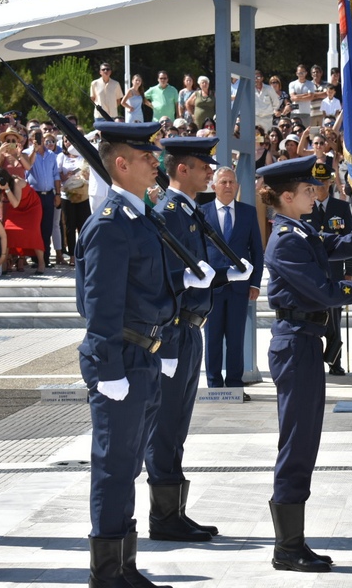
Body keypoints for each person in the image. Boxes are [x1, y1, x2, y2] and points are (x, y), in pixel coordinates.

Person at [75, 121, 216, 587]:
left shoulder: (142, 216)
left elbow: (148, 289)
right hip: (124, 360)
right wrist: (106, 368)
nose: (155, 162)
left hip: (148, 356)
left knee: (130, 463)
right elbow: (99, 305)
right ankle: (109, 571)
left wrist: (180, 294)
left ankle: (124, 564)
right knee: (115, 465)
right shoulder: (112, 224)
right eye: (146, 157)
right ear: (121, 163)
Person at [258, 155, 352, 572]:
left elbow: (332, 248)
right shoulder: (287, 239)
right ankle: (287, 547)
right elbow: (326, 290)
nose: (317, 194)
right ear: (288, 197)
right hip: (296, 343)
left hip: (305, 341)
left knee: (304, 439)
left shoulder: (300, 230)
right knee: (296, 442)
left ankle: (294, 541)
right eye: (309, 191)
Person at [147, 136, 251, 543]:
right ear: (182, 170)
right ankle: (163, 517)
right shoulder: (169, 212)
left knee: (178, 426)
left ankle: (174, 511)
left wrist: (225, 275)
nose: (212, 171)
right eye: (203, 165)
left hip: (192, 327)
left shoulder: (189, 212)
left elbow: (197, 270)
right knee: (165, 426)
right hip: (174, 331)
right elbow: (161, 276)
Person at [201, 167, 264, 397]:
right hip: (213, 287)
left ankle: (235, 386)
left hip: (240, 288)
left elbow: (257, 250)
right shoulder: (202, 212)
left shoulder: (247, 213)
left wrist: (255, 283)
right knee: (213, 338)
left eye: (231, 182)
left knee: (236, 338)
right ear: (214, 186)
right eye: (224, 182)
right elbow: (198, 251)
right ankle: (214, 386)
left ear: (237, 186)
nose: (228, 186)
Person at [300, 162, 352, 376]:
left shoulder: (341, 207)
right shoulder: (305, 208)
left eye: (323, 182)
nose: (319, 186)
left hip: (334, 274)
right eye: (316, 182)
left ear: (330, 182)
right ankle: (312, 363)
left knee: (334, 320)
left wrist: (349, 271)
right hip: (311, 274)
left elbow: (350, 241)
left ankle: (334, 360)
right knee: (312, 319)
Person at [0, 167, 45, 274]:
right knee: (7, 230)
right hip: (16, 208)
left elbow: (15, 203)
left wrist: (6, 188)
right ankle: (4, 263)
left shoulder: (16, 182)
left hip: (32, 207)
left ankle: (41, 263)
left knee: (33, 232)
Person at [24, 132, 61, 268]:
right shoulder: (27, 153)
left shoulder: (51, 155)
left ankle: (45, 258)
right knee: (35, 227)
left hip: (49, 194)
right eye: (35, 137)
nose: (38, 140)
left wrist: (57, 194)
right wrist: (34, 151)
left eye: (40, 138)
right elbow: (26, 170)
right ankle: (35, 258)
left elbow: (56, 175)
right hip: (34, 195)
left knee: (47, 228)